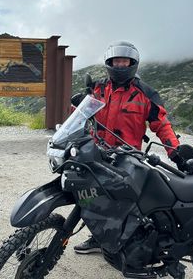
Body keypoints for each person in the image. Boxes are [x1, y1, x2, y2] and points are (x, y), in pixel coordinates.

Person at [73, 41, 183, 254]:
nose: (120, 65)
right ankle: (98, 237)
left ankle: (128, 242)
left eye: (124, 61)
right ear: (110, 63)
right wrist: (77, 107)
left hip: (128, 157)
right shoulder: (99, 88)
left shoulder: (146, 93)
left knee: (124, 203)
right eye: (116, 61)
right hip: (98, 152)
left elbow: (162, 125)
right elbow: (82, 113)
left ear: (132, 64)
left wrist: (176, 152)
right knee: (92, 196)